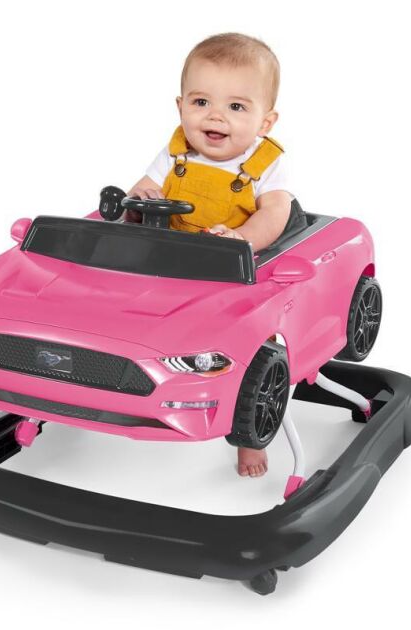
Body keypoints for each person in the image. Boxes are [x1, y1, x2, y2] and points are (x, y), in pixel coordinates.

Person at [126, 33, 294, 478]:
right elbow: (144, 189)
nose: (215, 116)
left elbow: (276, 214)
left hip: (234, 270)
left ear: (265, 121)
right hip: (171, 260)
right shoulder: (176, 152)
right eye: (201, 102)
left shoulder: (265, 165)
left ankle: (248, 438)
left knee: (251, 350)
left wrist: (242, 237)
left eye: (236, 106)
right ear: (180, 106)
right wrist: (139, 196)